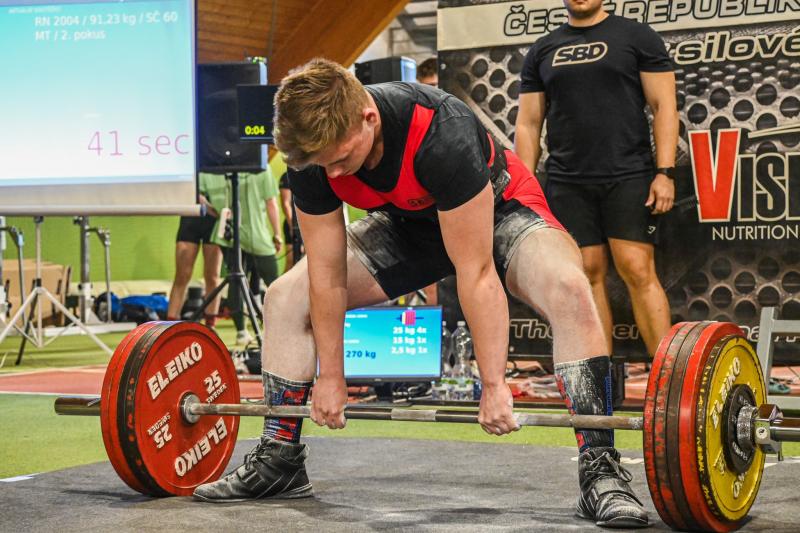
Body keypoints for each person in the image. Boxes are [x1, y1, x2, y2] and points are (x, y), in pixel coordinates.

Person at [193, 58, 648, 528]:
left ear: (368, 117)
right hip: (408, 224)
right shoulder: (315, 154)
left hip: (500, 208)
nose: (333, 172)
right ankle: (279, 460)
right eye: (322, 164)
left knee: (570, 288)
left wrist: (494, 385)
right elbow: (326, 275)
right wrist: (332, 374)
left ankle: (600, 471)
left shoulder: (439, 130)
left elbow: (477, 273)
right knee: (286, 297)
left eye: (340, 160)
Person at [514, 0, 678, 359]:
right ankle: (598, 381)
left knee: (637, 270)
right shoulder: (542, 50)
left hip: (628, 173)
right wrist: (523, 189)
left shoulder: (636, 36)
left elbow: (664, 106)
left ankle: (667, 375)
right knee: (586, 275)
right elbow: (528, 124)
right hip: (568, 181)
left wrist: (664, 172)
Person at [204, 169, 283, 345]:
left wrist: (217, 213)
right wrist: (277, 234)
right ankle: (276, 329)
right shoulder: (262, 169)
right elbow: (271, 203)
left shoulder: (214, 168)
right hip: (253, 235)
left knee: (236, 282)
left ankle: (242, 332)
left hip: (231, 235)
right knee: (273, 282)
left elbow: (198, 195)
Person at [166, 175, 224, 327]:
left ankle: (210, 326)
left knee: (212, 276)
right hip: (191, 216)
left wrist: (216, 210)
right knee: (182, 275)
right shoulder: (190, 165)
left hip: (214, 219)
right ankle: (170, 326)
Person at [278, 172, 299, 271]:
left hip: (310, 222)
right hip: (293, 223)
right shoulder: (286, 176)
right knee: (291, 261)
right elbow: (285, 204)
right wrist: (292, 226)